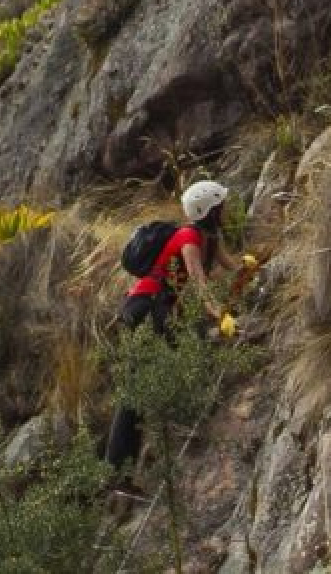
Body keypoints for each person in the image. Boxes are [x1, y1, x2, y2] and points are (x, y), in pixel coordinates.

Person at [102, 179, 247, 471]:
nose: (227, 209)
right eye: (222, 206)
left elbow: (233, 269)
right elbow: (200, 285)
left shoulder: (210, 239)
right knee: (141, 383)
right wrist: (222, 318)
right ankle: (116, 468)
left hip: (159, 308)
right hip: (145, 307)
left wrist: (252, 267)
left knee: (159, 368)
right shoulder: (189, 238)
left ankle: (127, 464)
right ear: (210, 210)